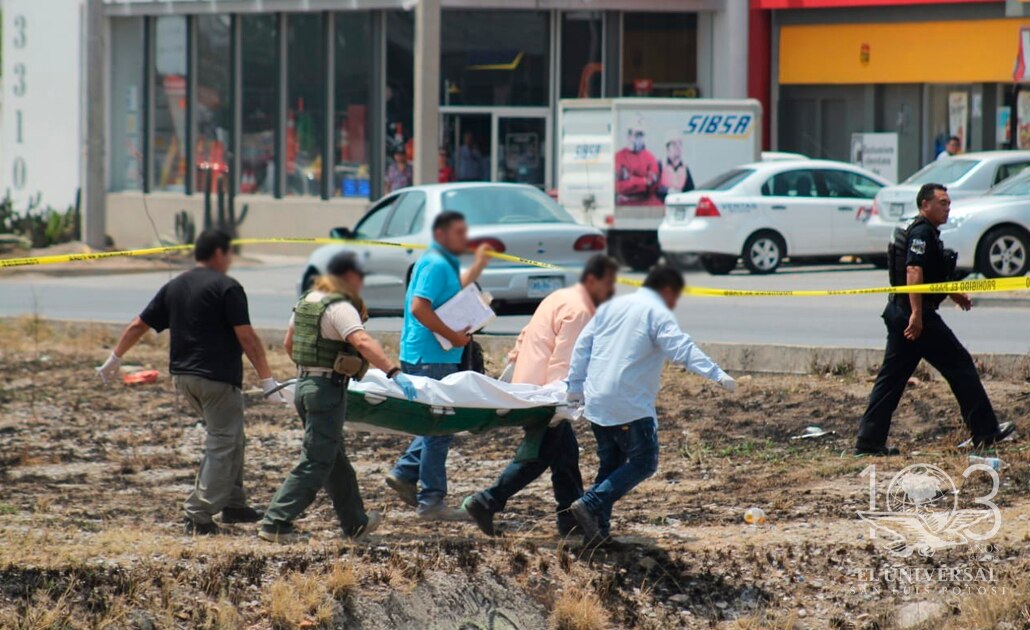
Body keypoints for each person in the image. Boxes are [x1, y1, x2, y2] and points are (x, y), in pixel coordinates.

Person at [96, 229, 281, 535]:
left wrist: (114, 359)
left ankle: (235, 503)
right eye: (230, 253)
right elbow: (247, 336)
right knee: (223, 442)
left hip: (184, 379)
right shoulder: (228, 287)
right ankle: (198, 512)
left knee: (232, 436)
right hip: (217, 379)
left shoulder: (175, 285)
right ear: (220, 253)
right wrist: (267, 380)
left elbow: (138, 324)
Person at [566, 266, 737, 544]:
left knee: (611, 464)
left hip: (597, 400)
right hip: (628, 403)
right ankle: (591, 503)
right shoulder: (656, 313)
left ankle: (597, 531)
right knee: (645, 461)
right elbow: (682, 349)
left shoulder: (612, 307)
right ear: (667, 291)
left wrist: (574, 386)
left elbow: (582, 345)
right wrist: (717, 374)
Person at [259, 252, 418, 543]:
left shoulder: (307, 300)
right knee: (316, 461)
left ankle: (355, 523)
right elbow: (361, 341)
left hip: (306, 385)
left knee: (335, 459)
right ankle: (276, 522)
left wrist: (310, 370)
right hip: (326, 391)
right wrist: (394, 372)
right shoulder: (340, 306)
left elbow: (288, 343)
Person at [462, 255, 620, 537]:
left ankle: (568, 520)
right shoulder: (582, 310)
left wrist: (514, 364)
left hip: (528, 385)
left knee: (565, 455)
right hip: (546, 393)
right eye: (608, 285)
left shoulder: (559, 297)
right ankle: (487, 500)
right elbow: (565, 360)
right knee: (540, 455)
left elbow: (525, 334)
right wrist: (564, 399)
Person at [855, 183, 1015, 455]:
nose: (947, 207)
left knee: (891, 380)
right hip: (915, 317)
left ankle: (869, 441)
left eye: (949, 202)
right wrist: (917, 315)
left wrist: (955, 294)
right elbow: (914, 271)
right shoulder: (921, 232)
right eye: (942, 202)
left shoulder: (921, 229)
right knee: (961, 365)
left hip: (900, 312)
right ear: (925, 205)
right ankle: (986, 433)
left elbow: (933, 272)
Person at [385, 211, 492, 520]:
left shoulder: (442, 262)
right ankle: (430, 500)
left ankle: (406, 474)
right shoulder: (434, 262)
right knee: (441, 426)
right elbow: (420, 307)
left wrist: (479, 266)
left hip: (433, 355)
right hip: (431, 357)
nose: (465, 238)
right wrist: (454, 337)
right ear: (442, 234)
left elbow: (452, 289)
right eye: (459, 232)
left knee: (439, 424)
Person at [614, 123, 659, 206]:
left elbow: (651, 184)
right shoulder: (618, 157)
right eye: (636, 135)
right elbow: (618, 186)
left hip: (646, 202)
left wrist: (630, 179)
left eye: (641, 135)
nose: (639, 138)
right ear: (629, 136)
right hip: (624, 203)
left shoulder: (650, 157)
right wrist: (643, 180)